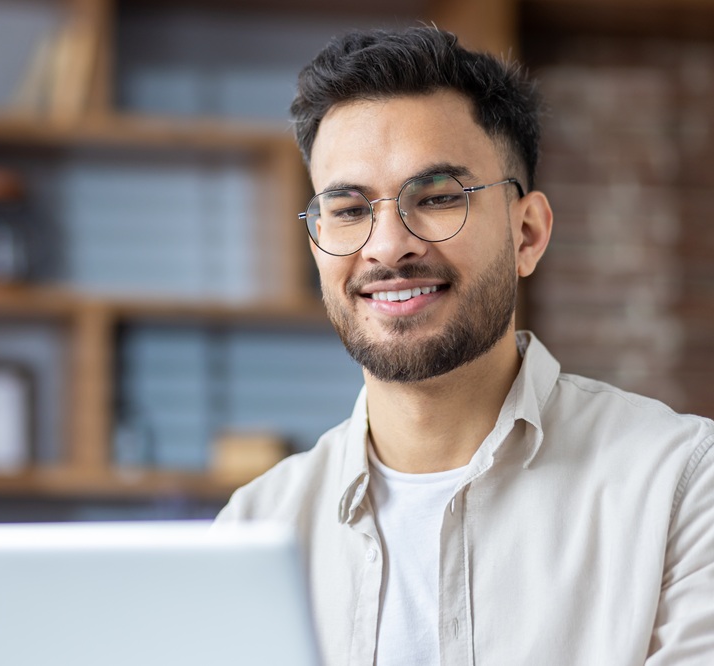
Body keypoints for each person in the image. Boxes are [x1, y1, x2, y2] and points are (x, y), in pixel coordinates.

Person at [214, 26, 714, 666]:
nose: (388, 245)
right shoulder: (255, 529)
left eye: (439, 198)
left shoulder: (680, 486)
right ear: (317, 245)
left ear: (527, 233)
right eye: (347, 209)